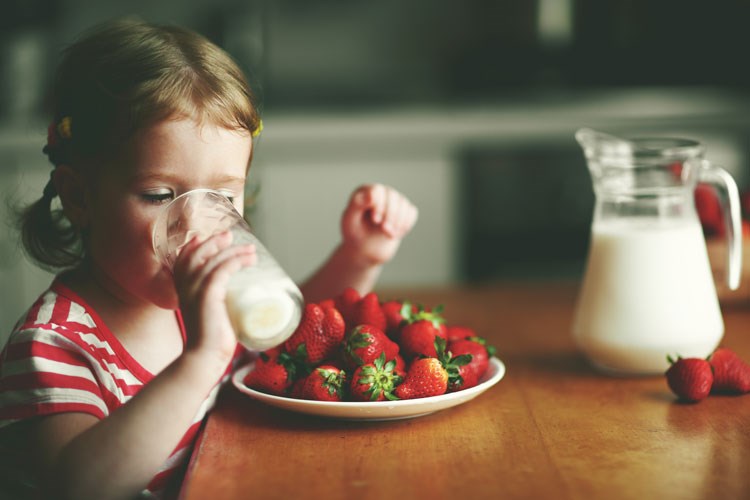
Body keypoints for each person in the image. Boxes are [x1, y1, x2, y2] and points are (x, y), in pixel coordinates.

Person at [0, 18, 417, 500]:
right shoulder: (53, 347)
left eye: (223, 196)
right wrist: (201, 361)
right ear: (79, 197)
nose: (196, 226)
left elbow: (295, 336)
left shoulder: (197, 303)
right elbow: (80, 488)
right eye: (159, 195)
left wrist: (359, 255)